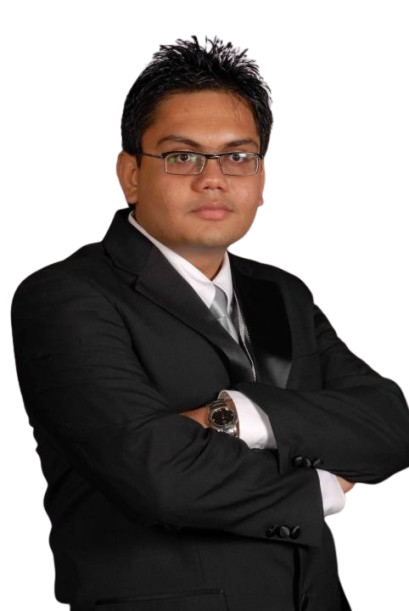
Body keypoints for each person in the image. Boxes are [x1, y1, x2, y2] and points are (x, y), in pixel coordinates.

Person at [11, 34, 409, 611]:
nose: (213, 178)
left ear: (262, 178)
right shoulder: (65, 296)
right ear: (130, 173)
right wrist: (318, 486)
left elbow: (389, 424)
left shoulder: (282, 291)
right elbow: (157, 475)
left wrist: (238, 415)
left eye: (237, 156)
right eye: (182, 156)